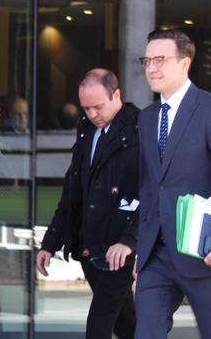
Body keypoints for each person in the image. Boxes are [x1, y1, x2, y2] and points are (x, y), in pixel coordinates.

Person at [134, 29, 211, 339]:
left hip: (207, 253)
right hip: (155, 257)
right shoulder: (147, 119)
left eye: (161, 60)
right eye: (147, 60)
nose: (152, 68)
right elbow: (149, 187)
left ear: (185, 64)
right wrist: (140, 248)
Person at [37, 68, 138, 339]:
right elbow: (72, 191)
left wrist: (130, 241)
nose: (92, 114)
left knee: (99, 324)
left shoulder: (140, 130)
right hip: (89, 246)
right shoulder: (86, 131)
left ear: (116, 95)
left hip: (120, 250)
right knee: (126, 322)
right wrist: (50, 242)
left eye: (98, 106)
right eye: (86, 108)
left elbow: (151, 194)